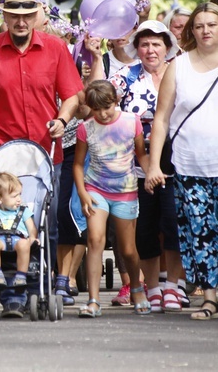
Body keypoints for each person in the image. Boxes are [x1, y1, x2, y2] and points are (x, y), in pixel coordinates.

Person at [0, 0, 83, 315]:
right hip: (2, 153)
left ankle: (37, 286)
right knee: (1, 223)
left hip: (44, 154)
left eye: (27, 15)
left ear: (37, 16)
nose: (20, 21)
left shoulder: (56, 49)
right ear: (5, 15)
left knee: (46, 222)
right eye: (14, 15)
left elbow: (72, 95)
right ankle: (10, 295)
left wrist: (62, 118)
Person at [146, 2, 218, 320]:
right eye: (199, 25)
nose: (206, 31)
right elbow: (161, 119)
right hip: (190, 165)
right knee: (200, 233)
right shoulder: (180, 66)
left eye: (212, 25)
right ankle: (210, 298)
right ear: (192, 30)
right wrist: (153, 164)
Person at [108, 21, 184, 313]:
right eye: (144, 44)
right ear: (136, 48)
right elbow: (101, 99)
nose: (150, 50)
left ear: (167, 47)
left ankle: (173, 287)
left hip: (176, 158)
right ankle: (152, 288)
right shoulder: (126, 75)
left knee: (174, 223)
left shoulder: (180, 72)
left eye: (156, 44)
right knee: (145, 229)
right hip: (135, 160)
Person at [74, 80, 150, 317]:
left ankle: (137, 288)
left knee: (128, 250)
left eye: (106, 108)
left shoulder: (131, 122)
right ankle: (94, 300)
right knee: (95, 240)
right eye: (96, 110)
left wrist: (152, 172)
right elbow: (77, 165)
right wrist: (82, 192)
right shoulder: (86, 128)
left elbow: (140, 155)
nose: (103, 114)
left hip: (126, 191)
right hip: (96, 189)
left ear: (116, 101)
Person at [0, 173, 37, 292]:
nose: (19, 199)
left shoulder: (24, 211)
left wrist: (32, 237)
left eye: (19, 195)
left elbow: (32, 228)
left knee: (24, 244)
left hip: (18, 240)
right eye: (14, 196)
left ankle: (21, 276)